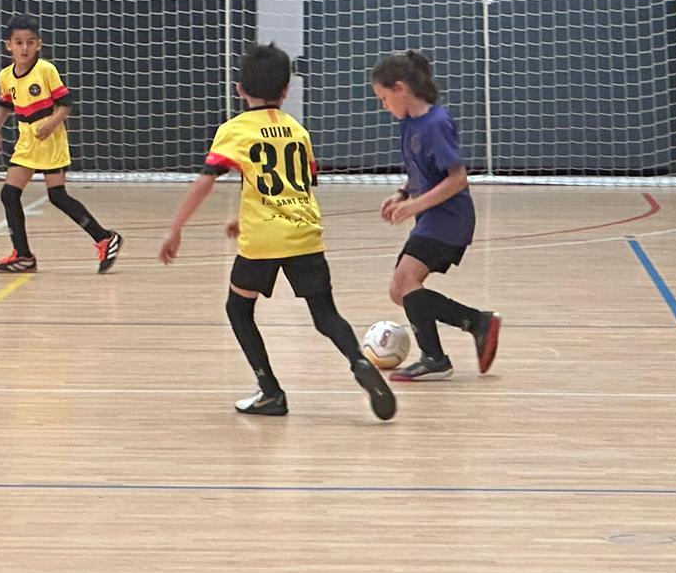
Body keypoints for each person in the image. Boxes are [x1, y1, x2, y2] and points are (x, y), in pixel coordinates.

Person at [158, 43, 395, 421]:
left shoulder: (234, 130)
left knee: (239, 309)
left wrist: (175, 229)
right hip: (304, 232)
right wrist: (242, 215)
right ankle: (357, 360)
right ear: (286, 90)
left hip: (263, 241)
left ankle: (270, 390)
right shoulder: (297, 131)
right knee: (325, 314)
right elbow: (294, 183)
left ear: (239, 89)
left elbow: (206, 182)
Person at [370, 50, 500, 380]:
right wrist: (403, 193)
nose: (383, 106)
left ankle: (438, 354)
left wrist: (414, 205)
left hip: (450, 218)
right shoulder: (409, 123)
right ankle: (474, 325)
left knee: (405, 282)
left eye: (384, 98)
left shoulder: (436, 123)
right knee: (400, 291)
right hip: (433, 218)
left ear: (401, 88)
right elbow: (421, 170)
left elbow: (457, 178)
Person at [0, 15, 121, 273]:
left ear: (39, 44)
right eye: (19, 43)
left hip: (50, 139)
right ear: (9, 46)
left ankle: (104, 237)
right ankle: (23, 256)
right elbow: (5, 104)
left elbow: (66, 104)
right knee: (9, 194)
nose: (24, 48)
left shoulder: (45, 70)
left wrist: (51, 124)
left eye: (30, 42)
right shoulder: (6, 75)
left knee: (57, 196)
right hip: (26, 139)